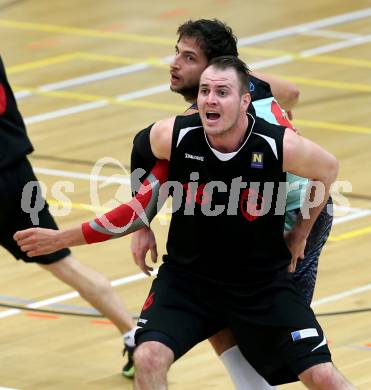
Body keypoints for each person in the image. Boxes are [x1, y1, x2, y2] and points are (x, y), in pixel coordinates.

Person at [15, 57, 354, 389]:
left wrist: (300, 233)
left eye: (222, 92)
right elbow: (136, 206)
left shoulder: (274, 143)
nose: (210, 99)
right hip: (188, 283)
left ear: (244, 101)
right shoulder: (175, 138)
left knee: (322, 375)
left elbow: (327, 170)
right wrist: (64, 237)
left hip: (260, 284)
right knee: (148, 357)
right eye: (205, 91)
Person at [129, 19, 332, 389]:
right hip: (262, 209)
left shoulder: (203, 124)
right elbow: (293, 91)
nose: (174, 63)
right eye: (177, 52)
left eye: (188, 57)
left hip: (296, 212)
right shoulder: (240, 90)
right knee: (216, 295)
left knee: (272, 336)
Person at [0, 55, 137, 377]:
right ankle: (134, 336)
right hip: (16, 174)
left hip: (9, 175)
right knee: (62, 262)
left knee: (59, 259)